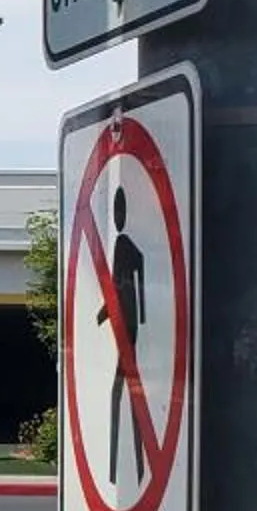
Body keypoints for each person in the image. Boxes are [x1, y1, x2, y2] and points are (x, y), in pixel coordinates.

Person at [97, 185, 148, 488]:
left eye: (119, 211)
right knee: (126, 391)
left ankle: (130, 470)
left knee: (124, 391)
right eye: (114, 211)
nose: (116, 217)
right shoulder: (120, 244)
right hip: (123, 323)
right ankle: (123, 471)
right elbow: (120, 286)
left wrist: (138, 315)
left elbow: (125, 285)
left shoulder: (124, 245)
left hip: (126, 327)